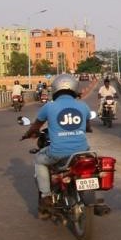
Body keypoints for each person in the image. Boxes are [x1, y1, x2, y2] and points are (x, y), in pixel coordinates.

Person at [21, 73, 94, 218]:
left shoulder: (49, 106)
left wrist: (28, 134)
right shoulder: (83, 105)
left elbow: (36, 126)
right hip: (82, 152)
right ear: (74, 89)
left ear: (55, 89)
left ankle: (46, 196)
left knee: (39, 160)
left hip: (58, 153)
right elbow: (87, 126)